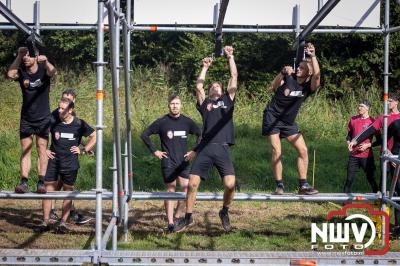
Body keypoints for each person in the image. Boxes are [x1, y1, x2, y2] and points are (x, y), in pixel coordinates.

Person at [174, 46, 237, 232]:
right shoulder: (206, 104)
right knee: (193, 184)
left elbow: (234, 78)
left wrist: (230, 57)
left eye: (218, 85)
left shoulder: (227, 100)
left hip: (223, 148)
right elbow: (199, 86)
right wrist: (205, 67)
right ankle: (188, 218)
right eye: (213, 86)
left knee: (230, 184)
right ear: (210, 92)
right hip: (205, 148)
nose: (215, 86)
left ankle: (224, 211)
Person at [262, 42, 320, 195]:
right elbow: (272, 87)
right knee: (277, 150)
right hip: (272, 116)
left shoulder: (308, 87)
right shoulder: (289, 77)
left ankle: (303, 185)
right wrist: (281, 73)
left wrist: (313, 56)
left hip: (288, 122)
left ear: (308, 73)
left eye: (302, 68)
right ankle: (279, 185)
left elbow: (317, 75)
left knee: (303, 150)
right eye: (298, 67)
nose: (298, 69)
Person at [141, 95, 201, 232]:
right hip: (168, 161)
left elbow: (201, 134)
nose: (175, 106)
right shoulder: (162, 122)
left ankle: (178, 216)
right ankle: (170, 223)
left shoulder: (187, 122)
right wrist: (155, 151)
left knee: (186, 189)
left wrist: (194, 151)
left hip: (183, 161)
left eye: (177, 103)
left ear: (181, 105)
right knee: (170, 190)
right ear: (168, 105)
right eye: (172, 103)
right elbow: (145, 134)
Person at [348, 92, 400, 237]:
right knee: (384, 191)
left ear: (396, 102)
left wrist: (396, 157)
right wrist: (355, 141)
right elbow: (369, 131)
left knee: (398, 191)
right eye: (387, 101)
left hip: (397, 159)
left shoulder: (399, 118)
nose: (388, 103)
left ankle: (397, 226)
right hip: (385, 158)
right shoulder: (384, 117)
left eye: (390, 101)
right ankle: (381, 224)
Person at [41, 97, 96, 232]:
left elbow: (94, 135)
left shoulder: (79, 124)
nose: (59, 111)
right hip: (53, 162)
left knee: (68, 192)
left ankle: (63, 223)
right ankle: (45, 222)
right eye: (59, 107)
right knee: (48, 192)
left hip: (70, 164)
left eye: (63, 109)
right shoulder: (53, 121)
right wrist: (45, 149)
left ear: (70, 110)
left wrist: (83, 149)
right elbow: (41, 134)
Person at [7, 46, 57, 194]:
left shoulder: (43, 70)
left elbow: (53, 72)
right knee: (26, 150)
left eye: (28, 55)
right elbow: (10, 75)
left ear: (36, 56)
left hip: (43, 118)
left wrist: (46, 61)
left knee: (41, 149)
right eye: (24, 56)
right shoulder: (21, 72)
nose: (25, 58)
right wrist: (18, 56)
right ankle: (24, 182)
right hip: (27, 118)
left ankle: (41, 182)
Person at [344, 100, 379, 193]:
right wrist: (348, 143)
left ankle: (378, 200)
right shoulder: (353, 119)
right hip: (353, 155)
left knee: (371, 178)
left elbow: (380, 141)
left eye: (362, 106)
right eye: (359, 106)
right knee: (349, 179)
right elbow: (349, 135)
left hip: (367, 156)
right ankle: (345, 203)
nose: (359, 108)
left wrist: (368, 145)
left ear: (367, 108)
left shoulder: (373, 122)